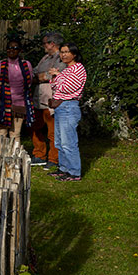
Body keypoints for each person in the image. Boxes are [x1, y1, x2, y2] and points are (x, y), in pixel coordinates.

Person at [47, 42, 86, 182]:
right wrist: (57, 77)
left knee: (68, 142)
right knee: (60, 141)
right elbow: (55, 86)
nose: (63, 55)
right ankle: (64, 168)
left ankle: (74, 172)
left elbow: (67, 88)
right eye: (62, 52)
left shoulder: (78, 68)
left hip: (69, 107)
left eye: (67, 52)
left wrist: (57, 75)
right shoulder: (67, 69)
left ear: (74, 54)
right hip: (61, 108)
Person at [30, 32, 65, 169]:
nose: (43, 45)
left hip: (51, 99)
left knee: (53, 131)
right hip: (39, 99)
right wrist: (39, 76)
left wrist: (40, 77)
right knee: (35, 127)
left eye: (45, 43)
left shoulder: (61, 58)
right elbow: (34, 73)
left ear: (52, 44)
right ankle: (39, 155)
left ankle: (54, 158)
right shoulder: (45, 58)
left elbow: (53, 75)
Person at [0, 39, 34, 139]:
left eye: (15, 48)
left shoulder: (26, 65)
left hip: (19, 103)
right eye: (9, 48)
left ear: (20, 50)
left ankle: (15, 154)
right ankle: (0, 154)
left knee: (15, 133)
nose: (12, 50)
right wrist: (2, 96)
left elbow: (29, 82)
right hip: (2, 103)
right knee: (1, 132)